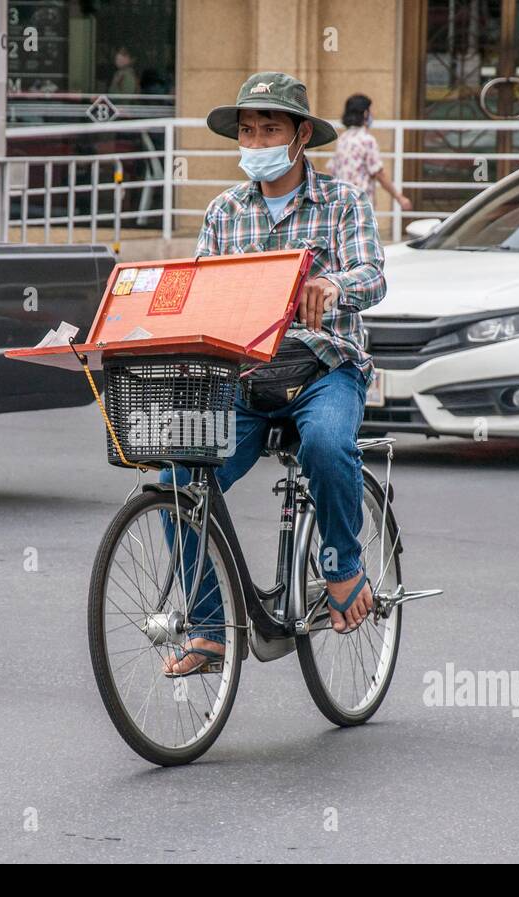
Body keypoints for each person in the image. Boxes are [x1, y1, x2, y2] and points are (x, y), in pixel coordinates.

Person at [160, 71, 387, 676]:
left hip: (324, 369)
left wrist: (330, 284)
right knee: (175, 482)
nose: (255, 139)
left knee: (326, 443)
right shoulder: (223, 212)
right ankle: (208, 627)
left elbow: (373, 276)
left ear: (300, 135)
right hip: (245, 381)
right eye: (248, 130)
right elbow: (203, 295)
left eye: (270, 128)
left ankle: (342, 566)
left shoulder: (343, 203)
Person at [328, 93, 412, 211]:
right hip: (361, 204)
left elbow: (333, 170)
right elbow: (379, 173)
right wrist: (399, 197)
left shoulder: (343, 139)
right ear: (365, 113)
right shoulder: (367, 140)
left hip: (342, 202)